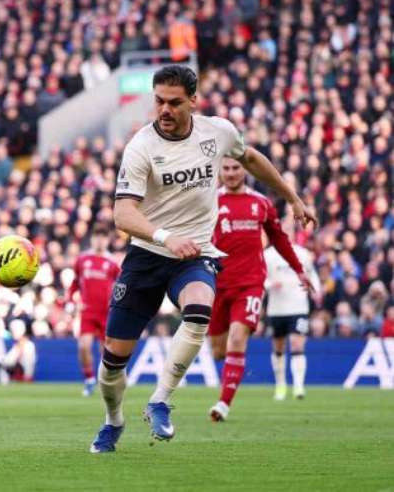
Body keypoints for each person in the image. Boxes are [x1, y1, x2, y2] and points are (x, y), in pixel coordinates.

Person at [90, 65, 316, 452]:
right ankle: (113, 420)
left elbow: (251, 158)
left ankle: (160, 401)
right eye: (159, 101)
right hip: (147, 255)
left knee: (198, 310)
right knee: (113, 361)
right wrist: (166, 237)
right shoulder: (141, 147)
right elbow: (122, 214)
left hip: (195, 253)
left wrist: (292, 198)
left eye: (174, 102)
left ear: (193, 101)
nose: (165, 109)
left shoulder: (217, 132)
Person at [207, 158, 315, 422]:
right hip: (218, 285)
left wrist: (299, 269)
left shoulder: (261, 203)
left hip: (250, 284)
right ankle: (233, 371)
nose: (231, 173)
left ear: (245, 169)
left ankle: (223, 404)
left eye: (236, 168)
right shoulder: (210, 201)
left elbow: (279, 238)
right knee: (218, 351)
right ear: (220, 171)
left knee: (236, 339)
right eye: (226, 168)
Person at [66, 226, 120, 396]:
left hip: (106, 312)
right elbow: (75, 283)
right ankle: (89, 379)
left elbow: (120, 286)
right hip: (88, 311)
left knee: (106, 352)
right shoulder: (82, 260)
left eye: (103, 237)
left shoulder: (112, 263)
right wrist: (70, 301)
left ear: (107, 240)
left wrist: (117, 304)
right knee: (84, 346)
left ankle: (105, 382)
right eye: (97, 236)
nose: (99, 240)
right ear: (92, 238)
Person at [264, 240, 321, 401]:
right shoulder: (268, 255)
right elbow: (260, 276)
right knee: (279, 347)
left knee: (297, 344)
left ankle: (298, 386)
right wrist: (269, 284)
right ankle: (280, 384)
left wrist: (316, 290)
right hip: (277, 308)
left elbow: (312, 274)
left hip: (298, 306)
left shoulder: (302, 253)